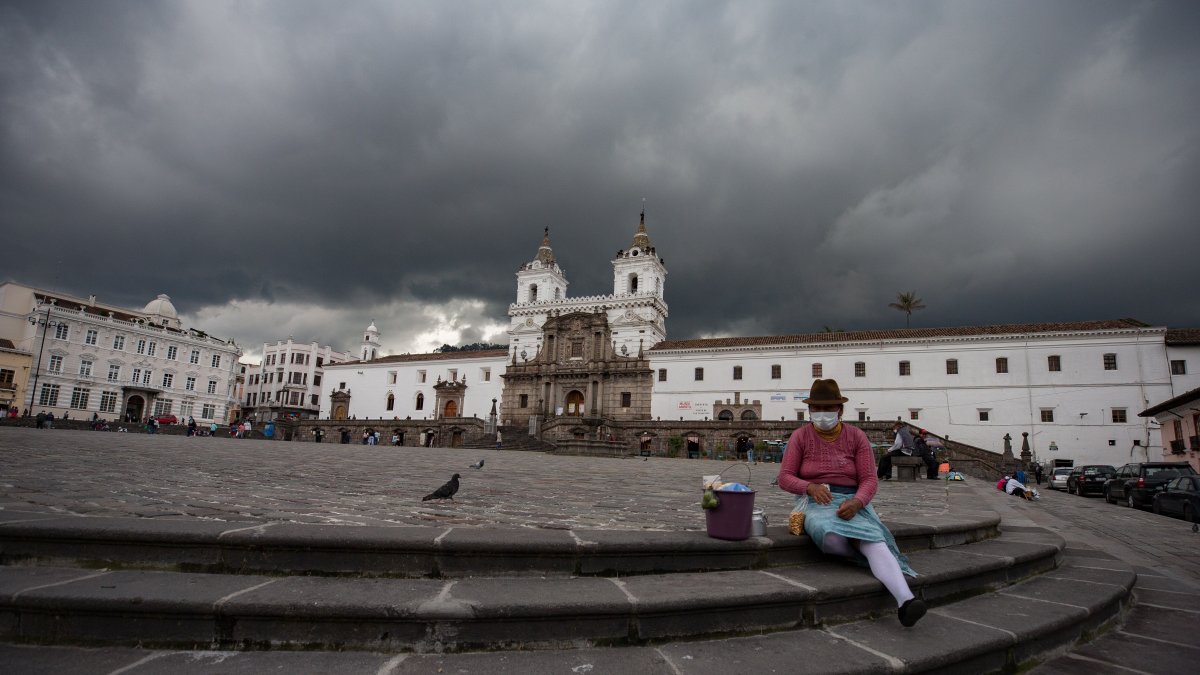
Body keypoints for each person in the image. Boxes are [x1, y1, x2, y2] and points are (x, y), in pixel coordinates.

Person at [777, 379, 925, 627]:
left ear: (840, 410)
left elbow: (869, 479)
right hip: (816, 500)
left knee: (871, 537)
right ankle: (863, 554)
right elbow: (785, 477)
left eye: (828, 408)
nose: (822, 414)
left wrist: (857, 502)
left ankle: (906, 600)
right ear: (810, 410)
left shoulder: (856, 436)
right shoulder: (800, 436)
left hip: (852, 499)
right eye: (816, 409)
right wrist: (809, 487)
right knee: (830, 535)